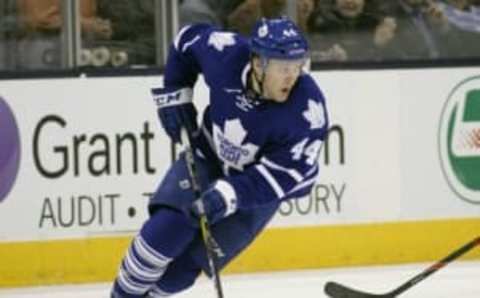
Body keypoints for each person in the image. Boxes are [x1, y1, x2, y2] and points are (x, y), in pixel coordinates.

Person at [111, 16, 329, 297]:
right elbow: (185, 42)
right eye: (284, 67)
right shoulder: (226, 53)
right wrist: (174, 95)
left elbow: (283, 176)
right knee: (164, 231)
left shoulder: (308, 110)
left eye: (298, 66)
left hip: (258, 191)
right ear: (259, 63)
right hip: (209, 156)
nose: (293, 76)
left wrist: (227, 195)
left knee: (185, 269)